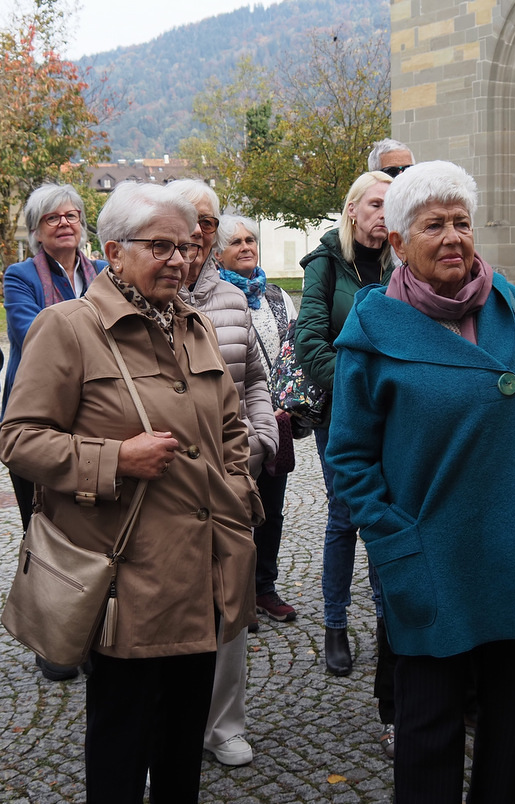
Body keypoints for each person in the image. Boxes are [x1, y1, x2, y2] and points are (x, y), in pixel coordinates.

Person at [0, 181, 260, 803]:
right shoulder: (68, 328)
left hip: (203, 572)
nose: (179, 259)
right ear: (114, 252)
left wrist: (238, 497)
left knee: (182, 747)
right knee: (121, 743)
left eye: (187, 246)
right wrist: (116, 458)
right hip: (127, 581)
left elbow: (231, 428)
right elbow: (19, 438)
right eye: (160, 246)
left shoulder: (193, 324)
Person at [327, 160, 515, 804]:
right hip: (430, 558)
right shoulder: (374, 327)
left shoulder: (508, 305)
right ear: (398, 242)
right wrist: (393, 540)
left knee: (513, 716)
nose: (454, 236)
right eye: (433, 225)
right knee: (428, 727)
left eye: (462, 221)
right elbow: (349, 457)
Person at [172, 179, 278, 769]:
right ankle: (169, 728)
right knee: (169, 606)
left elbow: (256, 378)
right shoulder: (147, 295)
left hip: (233, 477)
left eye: (207, 222)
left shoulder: (233, 299)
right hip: (167, 485)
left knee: (231, 599)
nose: (196, 232)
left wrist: (261, 442)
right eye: (185, 220)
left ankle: (224, 724)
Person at [293, 170, 398, 753]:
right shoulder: (326, 261)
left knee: (387, 511)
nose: (384, 214)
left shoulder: (401, 260)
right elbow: (309, 339)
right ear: (353, 209)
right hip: (341, 409)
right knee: (344, 515)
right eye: (375, 204)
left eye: (391, 205)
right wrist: (358, 387)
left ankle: (387, 618)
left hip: (395, 411)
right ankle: (336, 622)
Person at [1, 182, 106, 683]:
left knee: (92, 530)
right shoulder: (20, 276)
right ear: (37, 231)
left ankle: (91, 632)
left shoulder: (103, 271)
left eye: (72, 215)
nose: (65, 223)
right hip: (38, 420)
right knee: (42, 530)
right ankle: (52, 640)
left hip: (95, 418)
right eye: (52, 218)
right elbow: (32, 334)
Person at [216, 214, 300, 624]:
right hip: (231, 423)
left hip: (275, 418)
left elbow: (293, 352)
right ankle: (233, 595)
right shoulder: (212, 299)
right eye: (236, 242)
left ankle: (264, 588)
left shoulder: (278, 297)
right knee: (232, 510)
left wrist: (286, 403)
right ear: (217, 254)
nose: (247, 246)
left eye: (250, 239)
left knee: (272, 509)